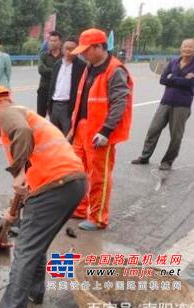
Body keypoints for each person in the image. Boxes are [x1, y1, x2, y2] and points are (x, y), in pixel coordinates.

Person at [0, 86, 86, 308]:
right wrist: (14, 212)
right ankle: (33, 293)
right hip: (72, 183)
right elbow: (27, 181)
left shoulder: (8, 114)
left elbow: (22, 133)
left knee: (25, 251)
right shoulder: (26, 114)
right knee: (36, 245)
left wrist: (18, 172)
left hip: (54, 185)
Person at [67, 28, 133, 231]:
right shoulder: (90, 66)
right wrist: (73, 128)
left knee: (98, 177)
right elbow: (83, 100)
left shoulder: (115, 70)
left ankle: (98, 218)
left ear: (99, 47)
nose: (83, 54)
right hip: (82, 128)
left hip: (99, 133)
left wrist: (105, 131)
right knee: (78, 172)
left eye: (86, 50)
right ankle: (80, 208)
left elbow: (119, 103)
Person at [131, 38, 194, 171]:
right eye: (185, 46)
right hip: (165, 101)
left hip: (182, 105)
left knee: (176, 135)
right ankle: (144, 156)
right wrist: (182, 79)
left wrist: (173, 79)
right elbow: (163, 79)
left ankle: (167, 161)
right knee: (153, 129)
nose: (187, 49)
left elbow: (190, 83)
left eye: (190, 47)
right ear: (181, 47)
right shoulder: (173, 62)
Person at [47, 36, 87, 135]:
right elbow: (52, 86)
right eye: (66, 48)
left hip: (69, 107)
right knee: (54, 136)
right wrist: (49, 107)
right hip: (55, 105)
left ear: (77, 50)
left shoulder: (82, 66)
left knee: (68, 137)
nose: (69, 51)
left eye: (72, 49)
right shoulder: (57, 64)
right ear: (62, 49)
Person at [37, 31, 63, 117]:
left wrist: (49, 70)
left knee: (55, 117)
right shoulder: (43, 55)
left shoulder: (64, 57)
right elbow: (41, 70)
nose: (52, 43)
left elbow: (65, 72)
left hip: (59, 91)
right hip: (44, 89)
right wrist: (58, 71)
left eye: (55, 40)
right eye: (50, 40)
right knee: (40, 117)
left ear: (60, 42)